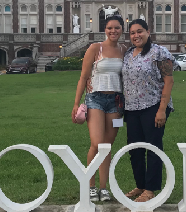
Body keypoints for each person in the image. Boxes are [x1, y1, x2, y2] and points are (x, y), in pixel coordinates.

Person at [72, 15, 126, 202]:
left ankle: (104, 188)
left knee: (107, 146)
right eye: (110, 28)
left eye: (117, 28)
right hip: (95, 99)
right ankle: (91, 186)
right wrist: (76, 102)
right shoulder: (96, 48)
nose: (113, 31)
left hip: (116, 101)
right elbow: (83, 76)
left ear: (122, 30)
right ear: (105, 29)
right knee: (96, 144)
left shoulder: (124, 50)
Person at [122, 19, 175, 202]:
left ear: (148, 32)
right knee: (135, 149)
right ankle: (141, 185)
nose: (136, 35)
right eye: (132, 33)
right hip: (132, 108)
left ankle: (151, 189)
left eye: (139, 31)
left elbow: (168, 81)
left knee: (153, 147)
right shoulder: (129, 54)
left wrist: (162, 109)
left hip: (153, 106)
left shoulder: (159, 52)